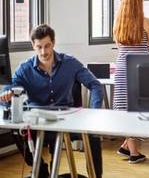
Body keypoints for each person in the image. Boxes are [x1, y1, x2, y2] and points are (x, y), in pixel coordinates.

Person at [0, 24, 103, 178]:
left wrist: (94, 112)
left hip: (66, 118)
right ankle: (40, 169)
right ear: (33, 46)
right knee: (17, 131)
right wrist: (6, 95)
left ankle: (95, 176)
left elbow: (95, 85)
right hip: (37, 120)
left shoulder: (70, 63)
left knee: (93, 136)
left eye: (47, 46)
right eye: (39, 47)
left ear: (53, 43)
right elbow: (9, 88)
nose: (44, 52)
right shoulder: (25, 68)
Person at [112, 0, 149, 164]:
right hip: (138, 69)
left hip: (121, 68)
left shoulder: (118, 22)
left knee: (125, 108)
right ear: (139, 2)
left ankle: (126, 146)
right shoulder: (145, 21)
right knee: (137, 109)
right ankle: (134, 153)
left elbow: (120, 47)